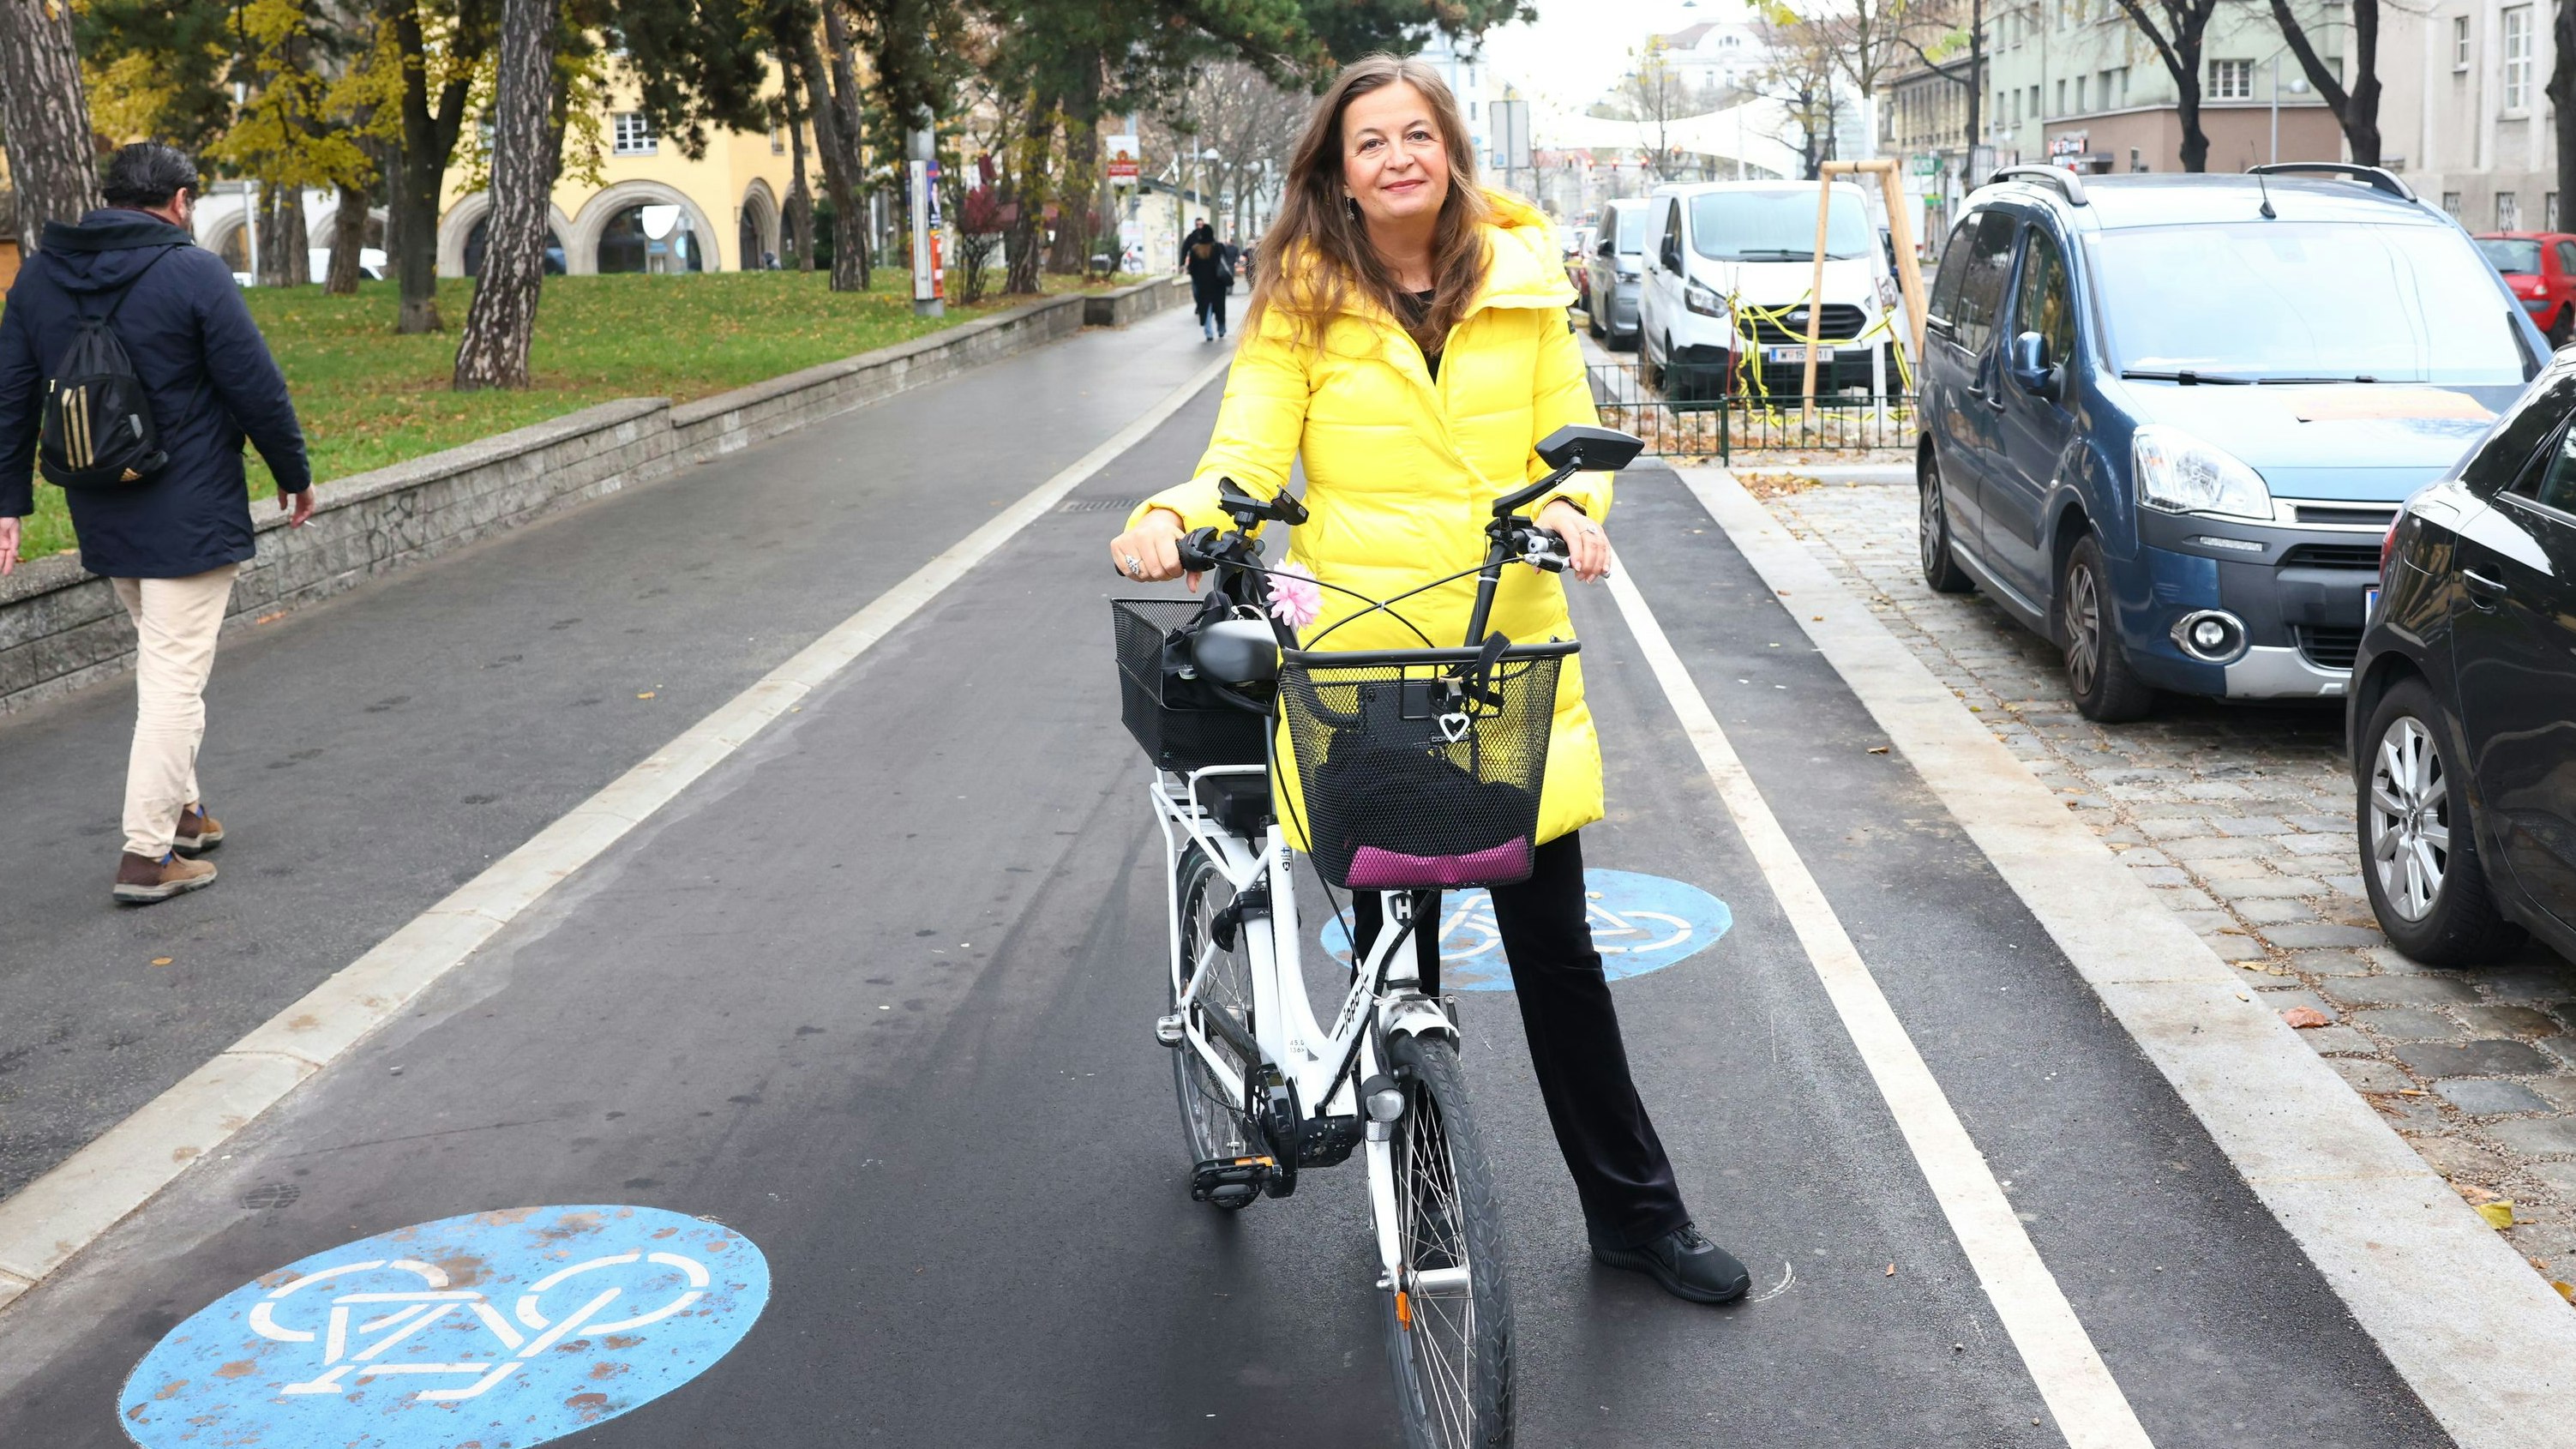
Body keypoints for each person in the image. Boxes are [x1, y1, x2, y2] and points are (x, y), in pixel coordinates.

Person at [1107, 56, 1750, 1306]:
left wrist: (1570, 511)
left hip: (1502, 653)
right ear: (1337, 175)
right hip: (1367, 662)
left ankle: (1638, 1218)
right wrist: (1171, 518)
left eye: (1416, 134)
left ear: (1450, 150)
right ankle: (1421, 1216)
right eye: (1369, 142)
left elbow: (1569, 440)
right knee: (1398, 963)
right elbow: (1244, 456)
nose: (1397, 156)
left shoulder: (1523, 279)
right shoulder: (1300, 298)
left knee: (1557, 952)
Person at [0, 142, 314, 905]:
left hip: (100, 498)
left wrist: (8, 502)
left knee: (165, 659)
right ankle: (146, 855)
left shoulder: (39, 274)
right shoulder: (192, 271)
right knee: (174, 678)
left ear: (110, 197)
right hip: (189, 504)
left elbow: (11, 395)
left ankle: (184, 814)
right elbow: (254, 384)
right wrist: (293, 472)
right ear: (179, 201)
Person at [1181, 219, 1231, 340]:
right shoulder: (1218, 247)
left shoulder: (1195, 250)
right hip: (1218, 284)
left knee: (1206, 308)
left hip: (1203, 284)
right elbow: (1226, 261)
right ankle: (1221, 329)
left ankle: (1208, 332)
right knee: (1220, 307)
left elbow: (1192, 268)